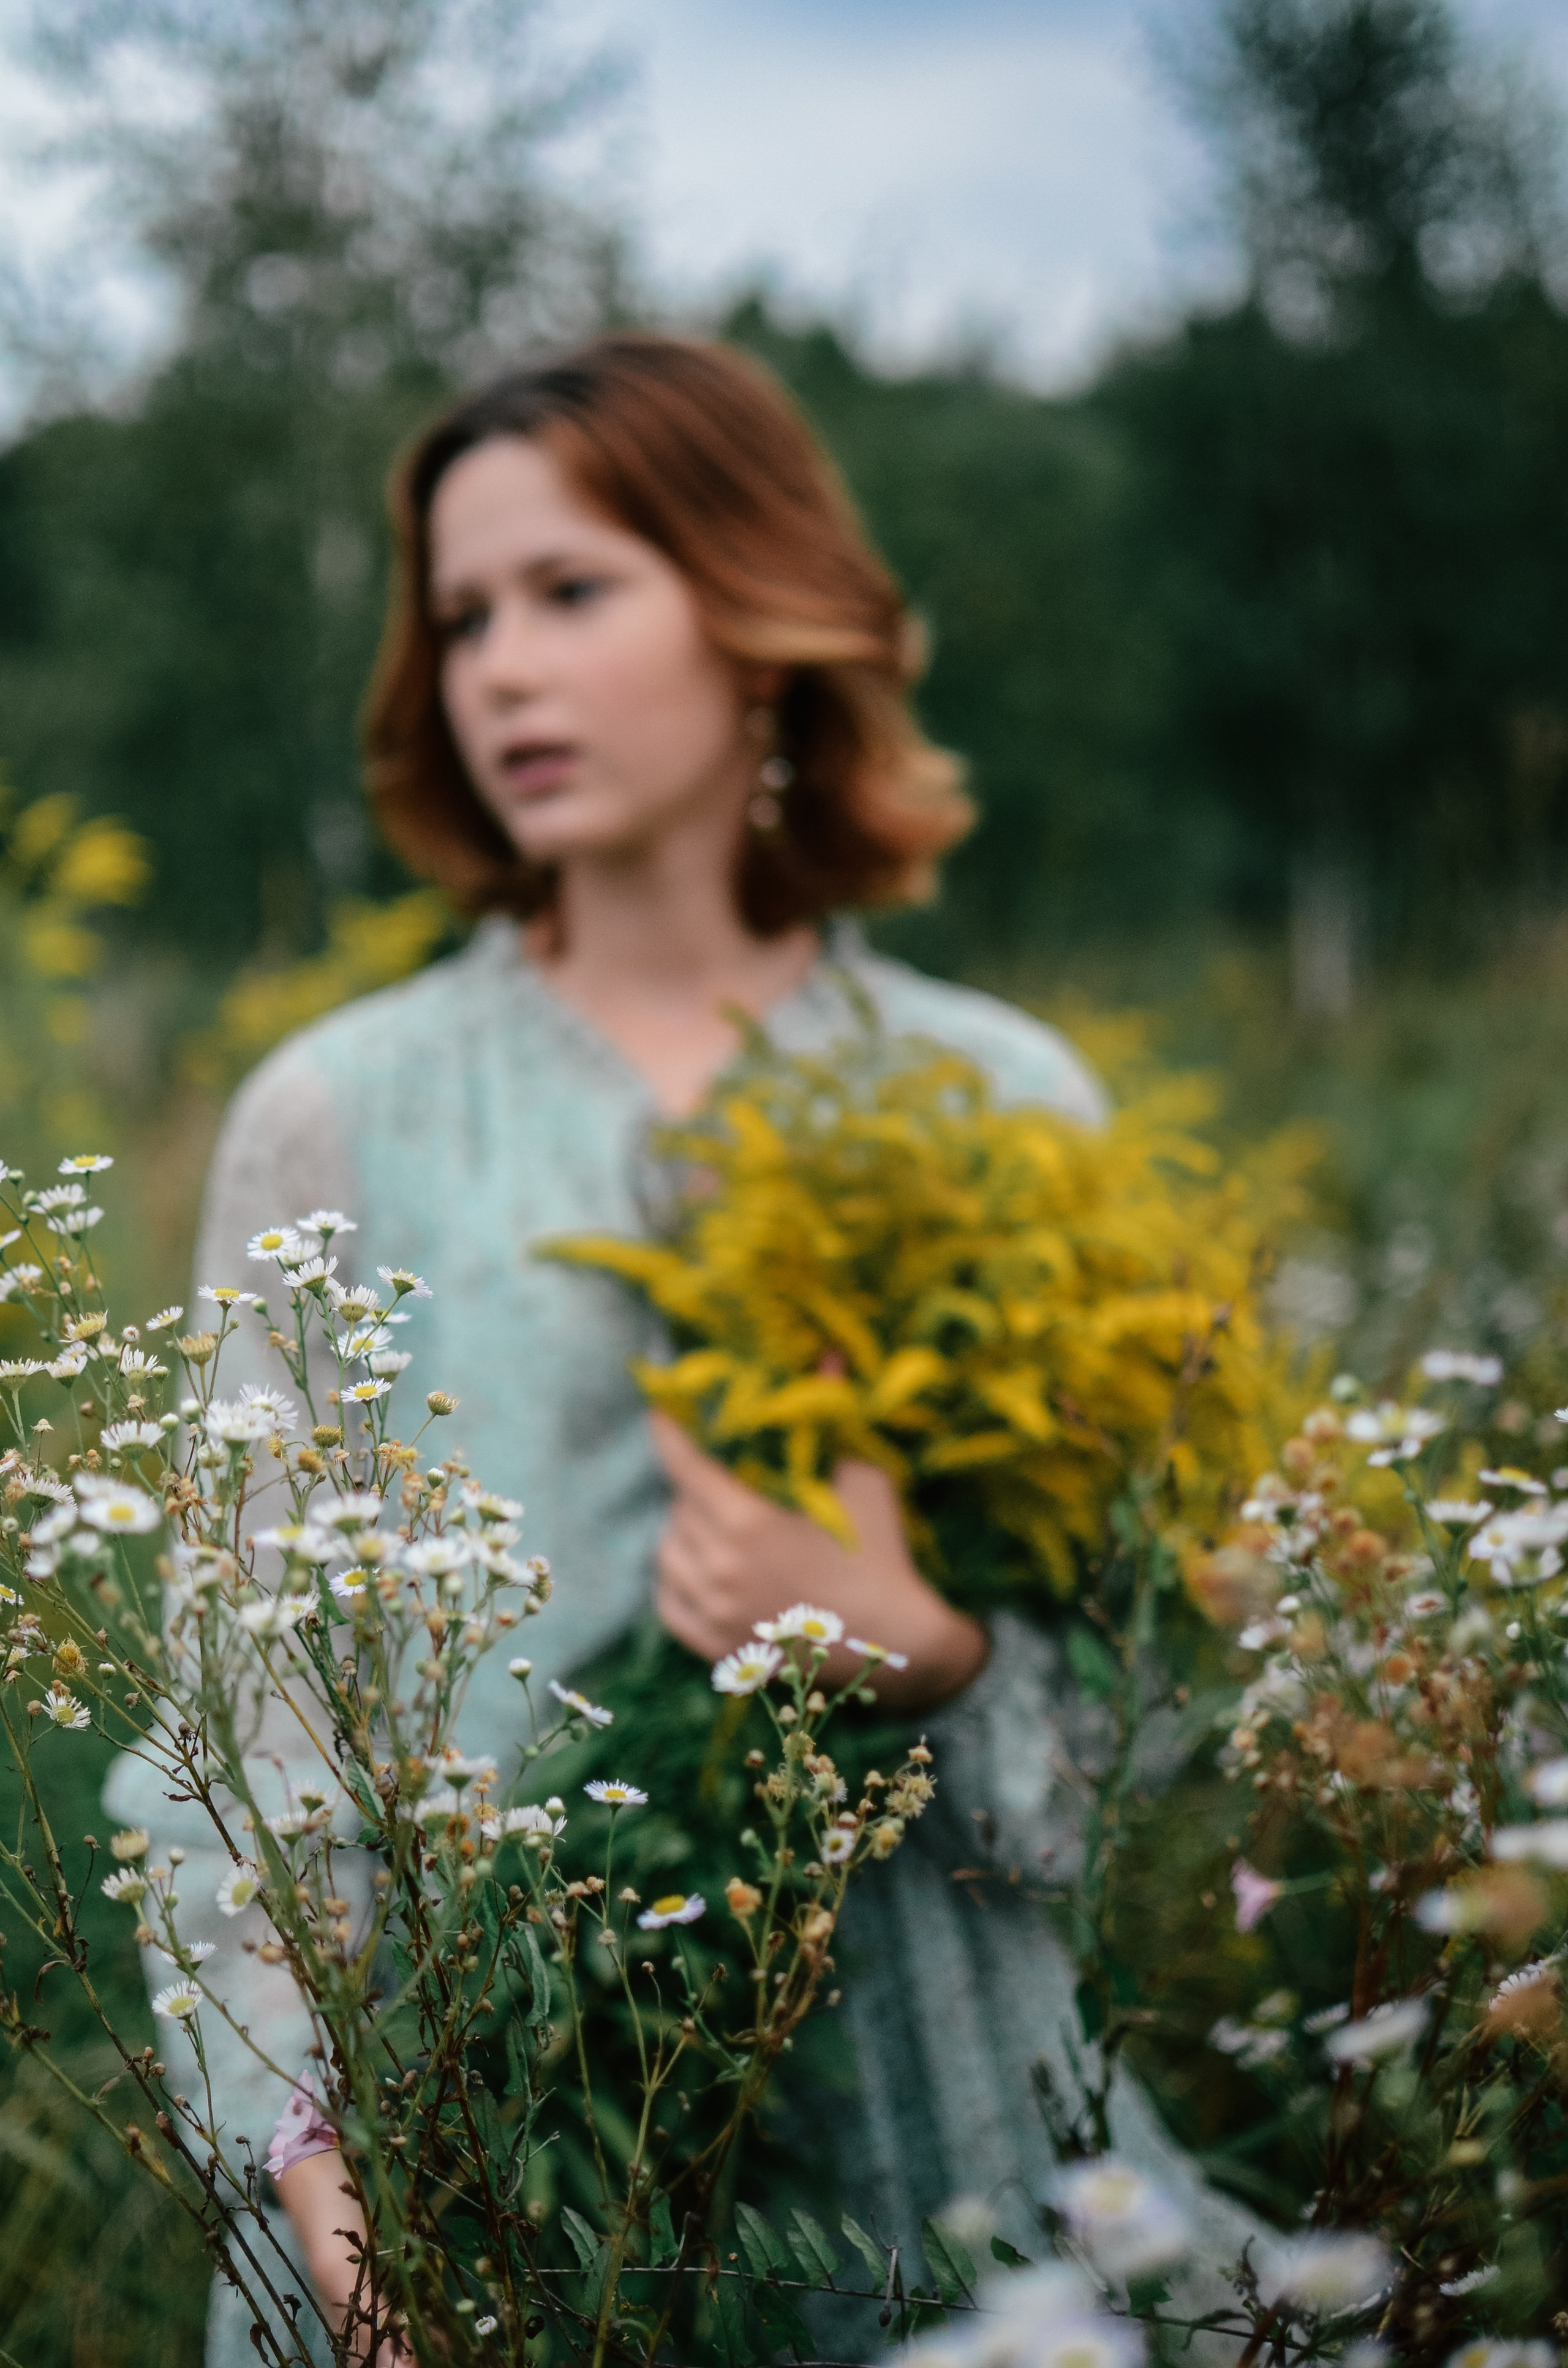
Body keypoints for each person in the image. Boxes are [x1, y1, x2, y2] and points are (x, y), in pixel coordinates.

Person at [105, 333, 1251, 2365]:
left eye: (572, 590)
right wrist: (350, 2218)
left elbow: (1155, 1742)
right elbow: (246, 1746)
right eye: (462, 617)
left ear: (756, 615)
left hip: (953, 2191)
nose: (501, 670)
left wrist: (929, 1646)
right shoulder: (335, 1116)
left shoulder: (1008, 1104)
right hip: (469, 2200)